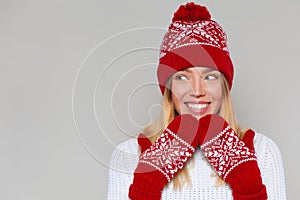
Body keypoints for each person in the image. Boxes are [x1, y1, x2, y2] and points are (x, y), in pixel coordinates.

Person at [107, 2, 287, 200]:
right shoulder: (128, 155)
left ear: (224, 86)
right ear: (169, 88)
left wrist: (249, 189)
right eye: (182, 77)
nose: (198, 91)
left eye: (210, 77)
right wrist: (145, 187)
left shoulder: (263, 152)